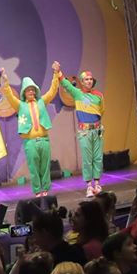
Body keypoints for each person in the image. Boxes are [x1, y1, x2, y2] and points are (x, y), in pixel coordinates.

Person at [1, 65, 63, 199]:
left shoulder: (41, 102)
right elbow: (9, 95)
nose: (31, 92)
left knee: (45, 166)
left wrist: (55, 73)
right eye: (28, 90)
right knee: (33, 167)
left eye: (32, 89)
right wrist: (5, 81)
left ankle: (45, 189)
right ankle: (37, 190)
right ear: (24, 92)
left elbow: (52, 91)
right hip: (30, 142)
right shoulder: (20, 105)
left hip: (44, 139)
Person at [58, 65, 107, 196]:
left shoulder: (99, 95)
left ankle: (97, 184)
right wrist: (58, 72)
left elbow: (102, 110)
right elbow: (66, 84)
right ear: (82, 82)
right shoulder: (77, 93)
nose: (89, 81)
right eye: (86, 79)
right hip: (85, 132)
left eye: (91, 79)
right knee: (87, 159)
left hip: (97, 131)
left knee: (98, 158)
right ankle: (89, 186)